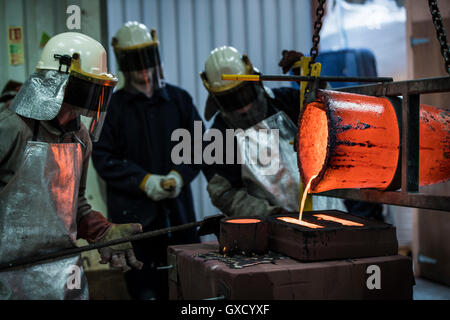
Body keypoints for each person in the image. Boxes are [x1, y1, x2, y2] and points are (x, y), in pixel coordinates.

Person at [0, 32, 143, 300]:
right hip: (8, 280)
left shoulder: (80, 138)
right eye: (88, 88)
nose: (90, 102)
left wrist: (103, 232)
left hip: (64, 279)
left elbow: (74, 205)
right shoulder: (11, 128)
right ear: (57, 81)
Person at [91, 21, 202, 300]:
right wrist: (142, 180)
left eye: (147, 60)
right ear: (122, 64)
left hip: (179, 220)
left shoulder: (179, 101)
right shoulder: (111, 108)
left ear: (156, 58)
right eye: (133, 62)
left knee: (187, 289)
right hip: (135, 224)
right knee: (145, 292)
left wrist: (180, 176)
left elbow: (200, 146)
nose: (142, 70)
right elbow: (103, 157)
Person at [201, 46, 346, 217]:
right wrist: (272, 215)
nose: (244, 108)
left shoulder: (288, 102)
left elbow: (339, 120)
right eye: (231, 101)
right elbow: (225, 194)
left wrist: (314, 86)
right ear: (216, 101)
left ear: (257, 83)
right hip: (274, 233)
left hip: (334, 216)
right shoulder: (217, 138)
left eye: (245, 94)